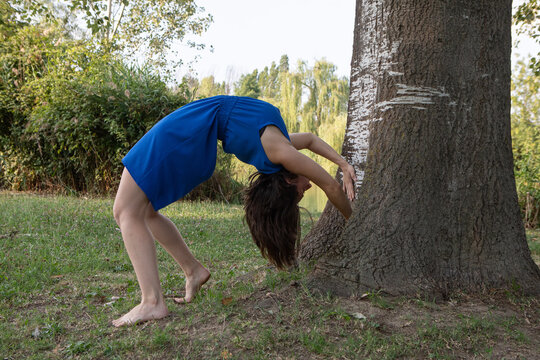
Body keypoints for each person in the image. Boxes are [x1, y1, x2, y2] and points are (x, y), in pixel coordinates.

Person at [112, 95, 356, 327]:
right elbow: (329, 182)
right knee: (139, 211)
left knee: (127, 210)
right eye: (302, 192)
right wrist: (353, 218)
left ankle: (154, 300)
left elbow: (312, 145)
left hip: (195, 129)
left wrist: (343, 165)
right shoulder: (280, 149)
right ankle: (189, 274)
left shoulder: (278, 148)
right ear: (289, 181)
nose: (308, 186)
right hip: (193, 128)